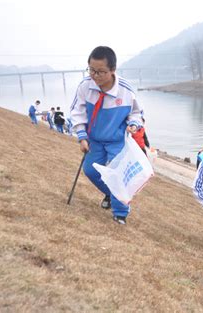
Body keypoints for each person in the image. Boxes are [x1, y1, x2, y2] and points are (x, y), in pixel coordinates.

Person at [70, 46, 143, 225]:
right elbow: (76, 111)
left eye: (101, 72)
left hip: (117, 139)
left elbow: (136, 113)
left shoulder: (125, 90)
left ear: (112, 70)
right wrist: (82, 135)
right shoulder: (85, 86)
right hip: (94, 138)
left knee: (117, 174)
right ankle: (111, 195)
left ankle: (120, 213)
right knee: (90, 170)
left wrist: (133, 124)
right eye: (91, 70)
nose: (95, 75)